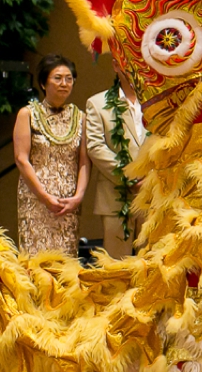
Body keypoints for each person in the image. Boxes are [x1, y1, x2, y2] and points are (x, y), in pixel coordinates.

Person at [14, 54, 89, 256]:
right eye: (57, 78)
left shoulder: (80, 117)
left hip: (68, 204)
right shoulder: (27, 114)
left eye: (69, 78)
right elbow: (21, 159)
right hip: (36, 200)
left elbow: (83, 161)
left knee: (66, 265)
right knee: (36, 264)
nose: (64, 83)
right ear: (43, 83)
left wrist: (78, 197)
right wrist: (44, 197)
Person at [84, 72, 147, 260]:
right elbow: (95, 147)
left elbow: (168, 141)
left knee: (154, 266)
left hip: (152, 194)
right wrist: (129, 176)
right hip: (115, 195)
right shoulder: (97, 103)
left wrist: (150, 177)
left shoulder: (157, 100)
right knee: (117, 268)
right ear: (115, 64)